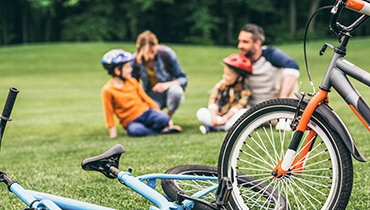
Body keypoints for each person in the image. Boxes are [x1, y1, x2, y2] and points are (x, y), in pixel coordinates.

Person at [100, 49, 182, 138]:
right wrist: (113, 133)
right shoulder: (108, 90)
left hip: (146, 113)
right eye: (127, 67)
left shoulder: (133, 82)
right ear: (117, 71)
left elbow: (146, 98)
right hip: (130, 121)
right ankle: (160, 132)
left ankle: (156, 129)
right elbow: (108, 113)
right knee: (136, 130)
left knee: (164, 118)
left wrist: (159, 113)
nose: (131, 69)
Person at [131, 30, 188, 127]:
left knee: (176, 91)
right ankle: (160, 121)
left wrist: (166, 85)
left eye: (153, 52)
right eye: (148, 53)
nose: (151, 56)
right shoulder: (135, 60)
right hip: (150, 95)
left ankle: (168, 119)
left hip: (168, 93)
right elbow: (132, 84)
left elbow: (183, 79)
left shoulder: (166, 54)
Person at [237, 23, 300, 107]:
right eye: (239, 41)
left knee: (291, 76)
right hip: (251, 109)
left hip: (274, 105)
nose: (240, 46)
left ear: (257, 43)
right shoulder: (240, 60)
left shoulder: (270, 55)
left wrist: (282, 98)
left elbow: (292, 66)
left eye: (245, 42)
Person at [196, 54, 252, 134]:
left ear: (239, 78)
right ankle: (225, 127)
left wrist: (226, 118)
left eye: (228, 75)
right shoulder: (221, 85)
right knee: (201, 112)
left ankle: (213, 127)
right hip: (219, 116)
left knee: (244, 112)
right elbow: (213, 101)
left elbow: (238, 107)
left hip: (232, 117)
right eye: (224, 73)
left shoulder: (246, 90)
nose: (224, 77)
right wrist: (213, 116)